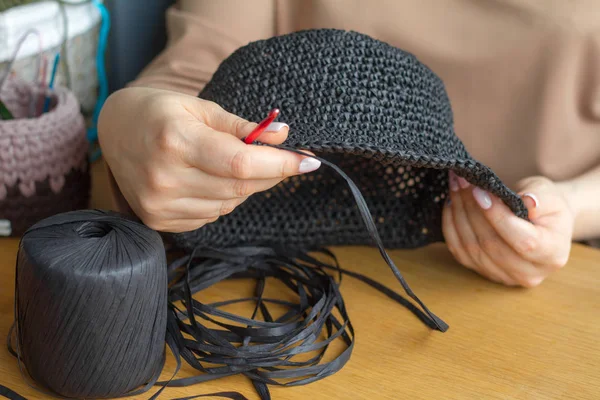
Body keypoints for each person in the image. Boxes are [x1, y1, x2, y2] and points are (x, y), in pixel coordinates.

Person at [98, 0, 600, 288]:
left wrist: (570, 208)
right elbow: (192, 68)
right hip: (258, 260)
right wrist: (135, 117)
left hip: (553, 274)